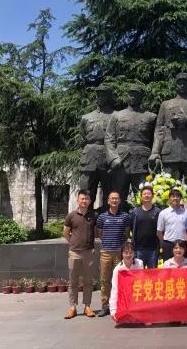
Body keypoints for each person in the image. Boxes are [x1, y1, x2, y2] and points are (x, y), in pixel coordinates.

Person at [149, 73, 187, 209]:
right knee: (169, 192)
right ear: (175, 85)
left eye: (185, 82)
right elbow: (159, 129)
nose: (182, 85)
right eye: (179, 82)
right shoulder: (166, 104)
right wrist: (155, 151)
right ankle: (170, 219)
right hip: (170, 153)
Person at [105, 84, 156, 210]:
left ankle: (142, 219)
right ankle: (119, 219)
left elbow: (156, 139)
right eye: (131, 94)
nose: (133, 97)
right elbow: (109, 138)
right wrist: (113, 158)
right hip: (121, 161)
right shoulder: (117, 115)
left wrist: (154, 155)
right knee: (119, 194)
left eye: (136, 94)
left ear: (142, 97)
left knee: (143, 194)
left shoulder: (150, 117)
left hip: (142, 162)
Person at [95, 190, 130, 317]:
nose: (114, 200)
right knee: (105, 280)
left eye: (116, 198)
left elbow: (126, 233)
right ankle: (105, 306)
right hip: (106, 252)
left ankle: (120, 304)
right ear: (108, 201)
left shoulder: (125, 217)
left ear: (119, 201)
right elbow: (99, 233)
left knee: (120, 280)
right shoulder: (102, 217)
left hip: (119, 253)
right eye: (112, 198)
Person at [63, 189, 97, 319]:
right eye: (82, 198)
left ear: (90, 201)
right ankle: (72, 307)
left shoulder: (93, 215)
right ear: (78, 200)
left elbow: (96, 232)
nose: (84, 201)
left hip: (88, 252)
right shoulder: (71, 216)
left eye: (87, 199)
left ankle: (87, 306)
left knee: (88, 281)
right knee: (73, 281)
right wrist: (72, 243)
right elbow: (65, 232)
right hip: (74, 252)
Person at [110, 241, 144, 322]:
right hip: (124, 296)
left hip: (137, 293)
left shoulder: (139, 264)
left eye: (131, 252)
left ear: (134, 253)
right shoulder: (118, 269)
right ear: (122, 254)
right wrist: (113, 310)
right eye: (126, 253)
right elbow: (115, 290)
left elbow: (142, 283)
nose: (128, 255)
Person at [130, 186, 161, 268]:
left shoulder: (158, 212)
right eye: (144, 194)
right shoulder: (135, 212)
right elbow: (131, 228)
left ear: (152, 196)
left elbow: (161, 229)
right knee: (139, 273)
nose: (146, 195)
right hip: (138, 248)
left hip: (153, 249)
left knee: (153, 273)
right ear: (141, 196)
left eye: (149, 194)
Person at [157, 189, 187, 261]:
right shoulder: (163, 213)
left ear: (180, 198)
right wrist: (164, 244)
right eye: (173, 196)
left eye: (177, 196)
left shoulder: (186, 212)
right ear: (169, 199)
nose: (175, 198)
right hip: (168, 245)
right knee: (168, 266)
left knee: (183, 265)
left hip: (183, 244)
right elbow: (159, 232)